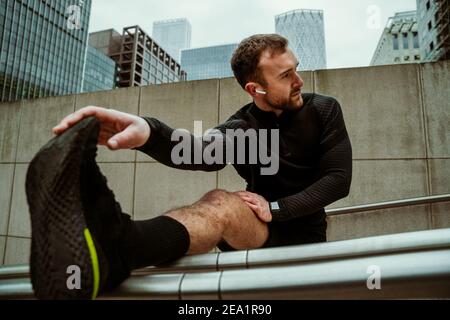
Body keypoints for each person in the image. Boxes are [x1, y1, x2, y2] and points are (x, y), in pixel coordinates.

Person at [26, 34, 352, 299]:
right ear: (256, 88)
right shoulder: (244, 127)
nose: (299, 80)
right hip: (257, 229)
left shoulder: (322, 110)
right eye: (286, 75)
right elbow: (198, 151)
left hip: (303, 237)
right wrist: (148, 132)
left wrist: (278, 207)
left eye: (295, 68)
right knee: (217, 202)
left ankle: (118, 250)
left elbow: (338, 179)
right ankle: (118, 246)